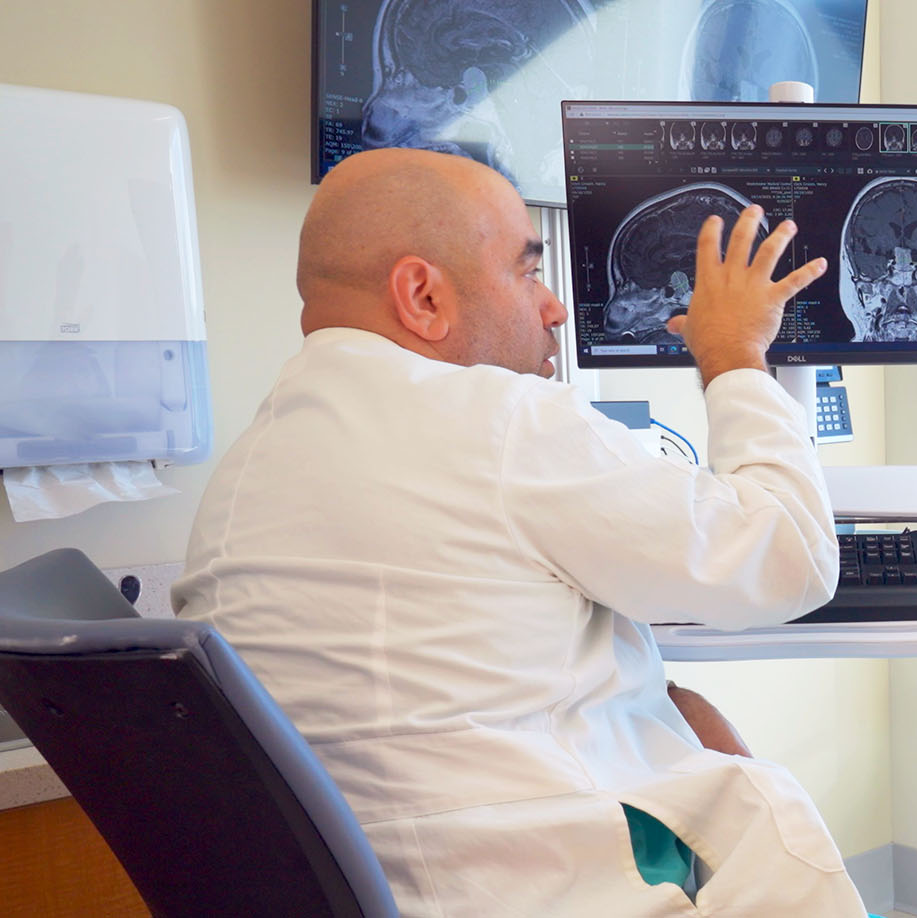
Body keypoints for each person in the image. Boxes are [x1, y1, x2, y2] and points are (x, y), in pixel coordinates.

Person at [170, 148, 869, 916]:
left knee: (686, 712)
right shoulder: (500, 420)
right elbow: (791, 559)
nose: (554, 308)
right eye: (528, 272)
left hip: (395, 883)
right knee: (742, 782)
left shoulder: (241, 476)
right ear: (423, 297)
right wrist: (735, 356)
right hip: (553, 886)